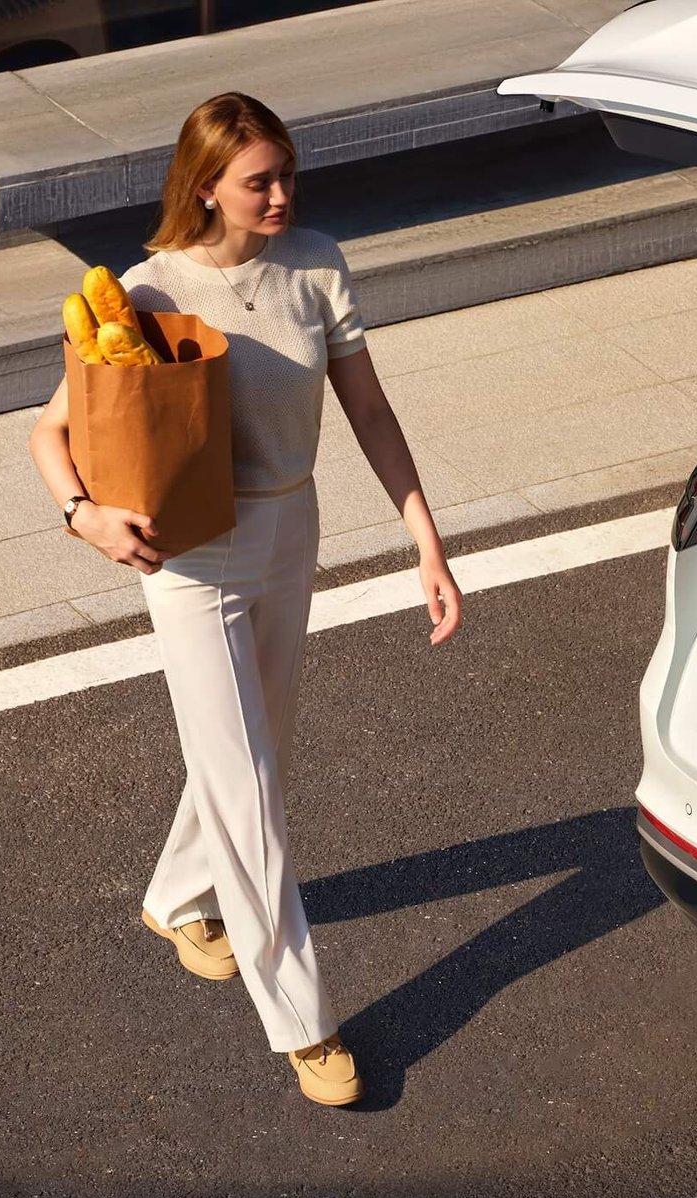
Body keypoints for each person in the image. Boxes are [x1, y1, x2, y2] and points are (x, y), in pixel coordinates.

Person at [27, 91, 463, 1107]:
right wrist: (84, 516)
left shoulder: (317, 264)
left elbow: (370, 409)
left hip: (288, 531)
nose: (279, 194)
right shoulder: (145, 291)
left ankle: (176, 894)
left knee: (255, 743)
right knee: (253, 794)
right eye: (257, 180)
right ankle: (303, 1022)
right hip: (189, 561)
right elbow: (50, 432)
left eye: (285, 175)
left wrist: (426, 541)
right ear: (205, 186)